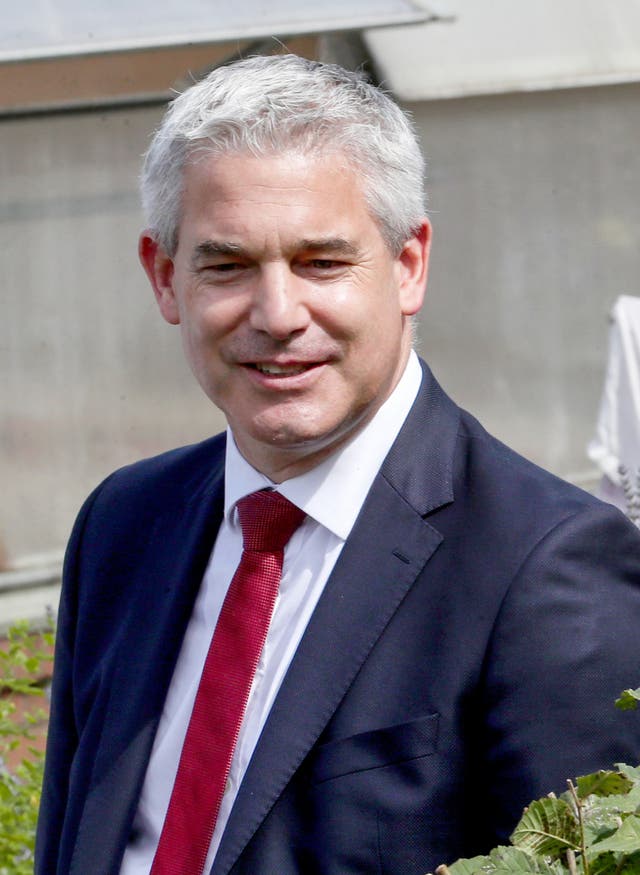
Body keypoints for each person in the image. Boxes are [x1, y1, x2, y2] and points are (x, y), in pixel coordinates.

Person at [36, 54, 640, 875]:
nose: (278, 315)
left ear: (408, 265)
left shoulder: (544, 570)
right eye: (228, 264)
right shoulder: (123, 522)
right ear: (164, 276)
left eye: (321, 262)